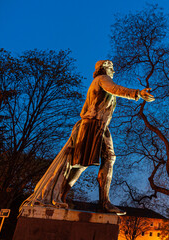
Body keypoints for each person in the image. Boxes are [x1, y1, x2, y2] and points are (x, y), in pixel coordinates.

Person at [21, 60, 154, 214]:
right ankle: (63, 196)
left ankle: (98, 201)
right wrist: (137, 93)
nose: (114, 71)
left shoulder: (99, 81)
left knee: (104, 159)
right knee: (81, 163)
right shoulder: (103, 79)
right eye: (112, 68)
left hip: (98, 126)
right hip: (92, 125)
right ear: (104, 69)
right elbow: (115, 89)